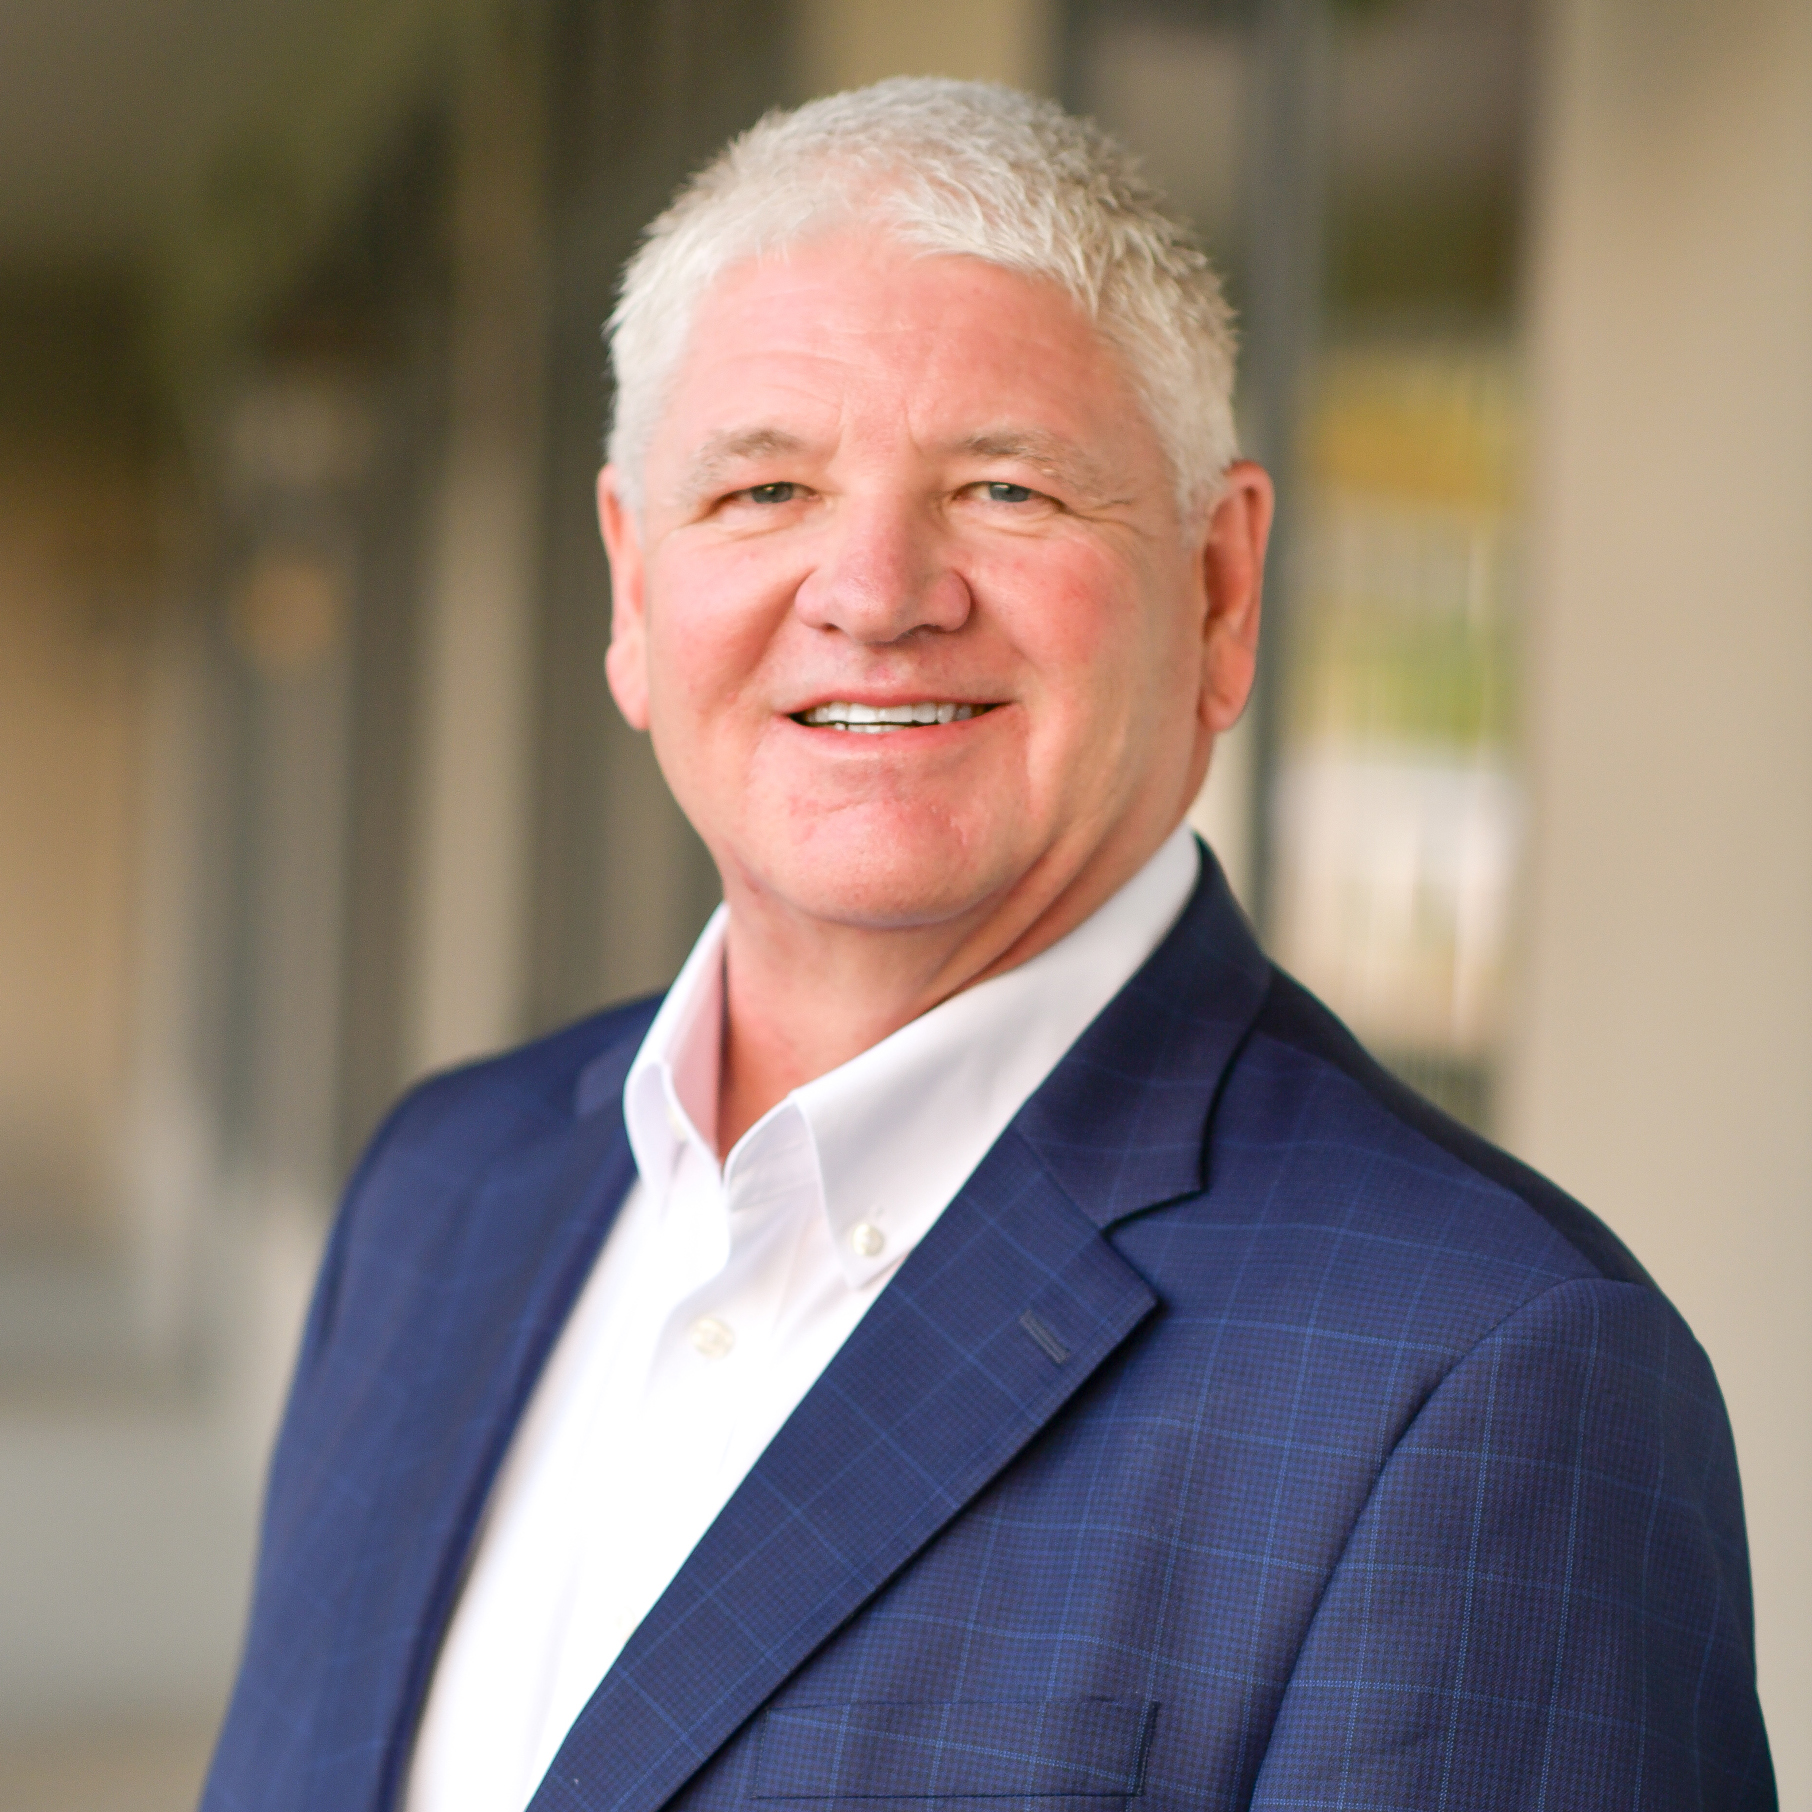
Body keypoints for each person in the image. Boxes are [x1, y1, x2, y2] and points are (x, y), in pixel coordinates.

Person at [202, 79, 1773, 1812]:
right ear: (636, 592)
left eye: (1008, 489)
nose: (876, 591)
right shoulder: (444, 1195)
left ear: (1222, 590)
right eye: (768, 490)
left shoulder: (1485, 1381)